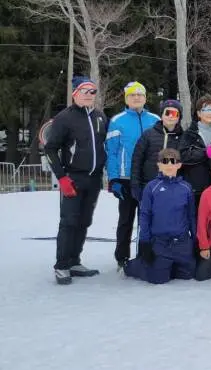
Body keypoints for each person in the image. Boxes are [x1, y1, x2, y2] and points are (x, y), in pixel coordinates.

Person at [44, 76, 107, 284]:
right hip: (73, 178)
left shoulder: (100, 117)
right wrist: (62, 177)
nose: (90, 95)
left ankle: (74, 260)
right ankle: (61, 265)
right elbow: (50, 148)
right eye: (85, 91)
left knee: (84, 221)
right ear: (75, 94)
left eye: (93, 91)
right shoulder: (65, 118)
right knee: (69, 221)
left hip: (94, 178)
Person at [105, 81, 159, 272]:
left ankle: (149, 253)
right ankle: (122, 256)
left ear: (145, 98)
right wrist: (113, 179)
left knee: (150, 218)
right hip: (125, 178)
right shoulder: (117, 120)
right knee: (126, 219)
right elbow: (110, 151)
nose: (136, 98)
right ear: (126, 99)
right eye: (132, 95)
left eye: (140, 94)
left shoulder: (154, 119)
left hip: (150, 178)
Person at [127, 148, 196, 284]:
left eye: (173, 161)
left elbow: (191, 215)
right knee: (158, 279)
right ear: (159, 165)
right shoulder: (151, 187)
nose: (169, 165)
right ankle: (134, 266)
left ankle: (170, 264)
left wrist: (195, 239)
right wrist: (144, 241)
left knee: (189, 275)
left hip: (181, 242)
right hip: (160, 242)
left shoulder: (186, 187)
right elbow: (145, 215)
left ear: (179, 165)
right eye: (165, 161)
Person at [130, 99, 185, 199]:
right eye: (167, 113)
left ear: (179, 117)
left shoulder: (184, 138)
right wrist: (135, 185)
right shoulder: (148, 135)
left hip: (173, 188)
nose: (170, 116)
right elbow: (137, 161)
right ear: (162, 115)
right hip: (149, 186)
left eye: (174, 113)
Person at [179, 95, 211, 200]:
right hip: (195, 187)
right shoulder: (190, 134)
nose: (210, 113)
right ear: (199, 113)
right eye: (206, 110)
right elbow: (182, 156)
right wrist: (205, 153)